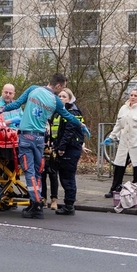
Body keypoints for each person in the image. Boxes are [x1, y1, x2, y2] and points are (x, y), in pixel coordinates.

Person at [0, 73, 90, 219]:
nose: (62, 91)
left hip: (26, 137)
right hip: (40, 139)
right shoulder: (56, 101)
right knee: (37, 171)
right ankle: (36, 201)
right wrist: (81, 124)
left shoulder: (33, 89)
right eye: (63, 87)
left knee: (29, 172)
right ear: (58, 85)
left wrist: (2, 110)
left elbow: (16, 104)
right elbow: (68, 116)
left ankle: (36, 205)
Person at [103, 88, 137, 198]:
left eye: (135, 95)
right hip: (124, 143)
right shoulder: (123, 109)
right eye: (131, 95)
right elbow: (118, 125)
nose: (132, 97)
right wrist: (111, 137)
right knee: (119, 166)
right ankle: (114, 189)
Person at [53, 88, 85, 216]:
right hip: (64, 148)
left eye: (64, 96)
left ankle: (69, 205)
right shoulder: (59, 112)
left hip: (70, 149)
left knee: (68, 177)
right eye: (59, 96)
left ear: (70, 99)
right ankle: (68, 204)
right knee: (64, 176)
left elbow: (69, 132)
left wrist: (61, 148)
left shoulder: (73, 112)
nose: (61, 98)